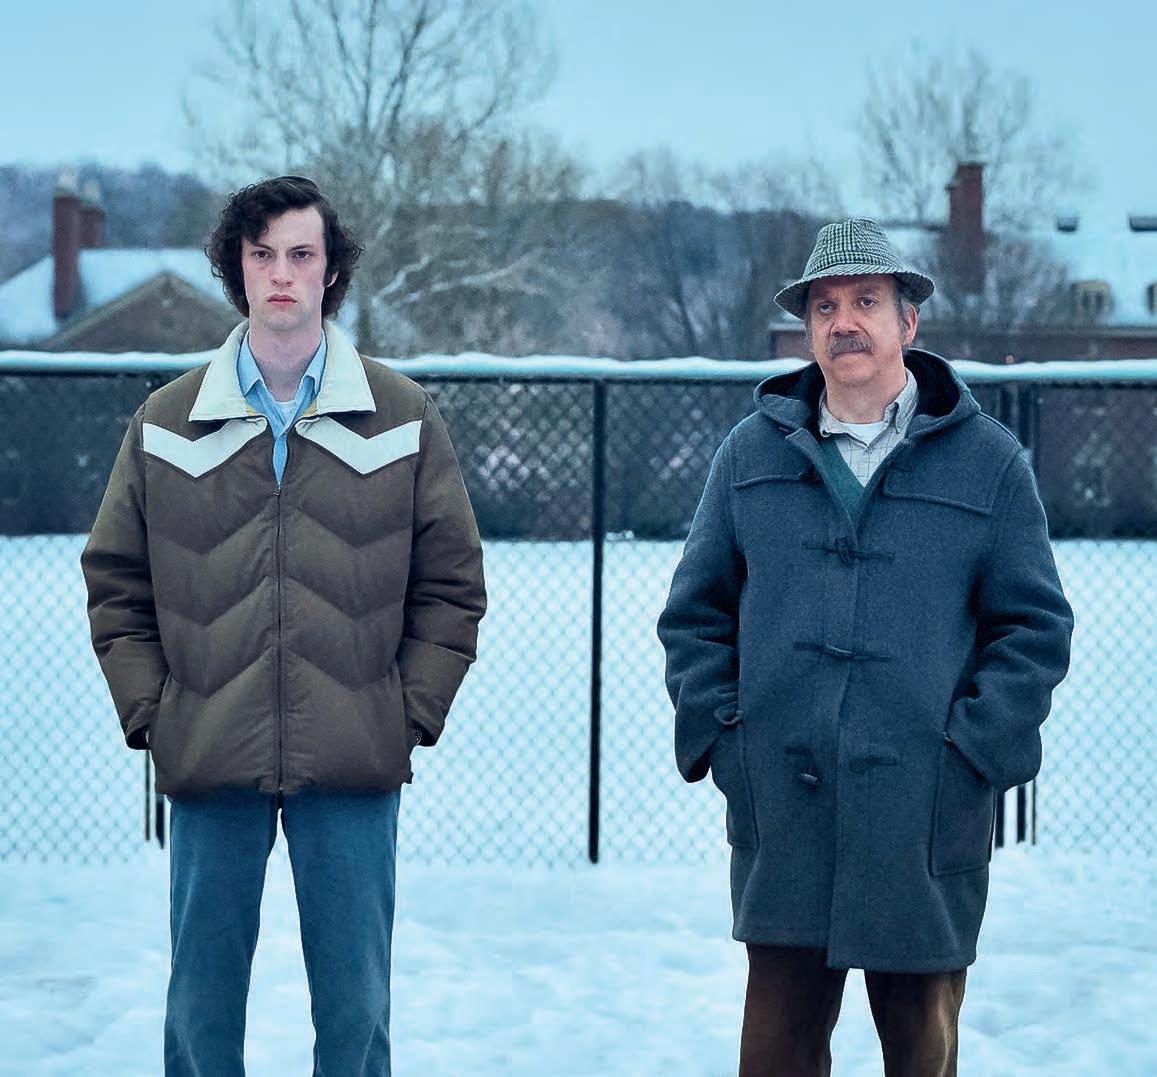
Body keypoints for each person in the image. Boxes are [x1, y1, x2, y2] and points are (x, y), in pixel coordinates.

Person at [81, 175, 486, 1076]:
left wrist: (402, 712)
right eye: (261, 254)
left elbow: (452, 586)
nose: (281, 273)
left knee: (356, 1014)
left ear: (330, 269)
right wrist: (157, 714)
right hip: (207, 751)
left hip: (351, 757)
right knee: (199, 1012)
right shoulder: (166, 420)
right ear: (236, 267)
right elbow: (115, 582)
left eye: (301, 254)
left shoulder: (401, 416)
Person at [657, 218, 1073, 1076]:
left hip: (922, 825)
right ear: (807, 329)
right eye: (824, 306)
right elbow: (694, 616)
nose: (843, 322)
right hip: (785, 816)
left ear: (906, 322)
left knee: (921, 1054)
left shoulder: (988, 462)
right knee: (775, 1056)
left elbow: (1033, 629)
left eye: (865, 302)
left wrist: (969, 755)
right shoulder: (749, 455)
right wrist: (730, 742)